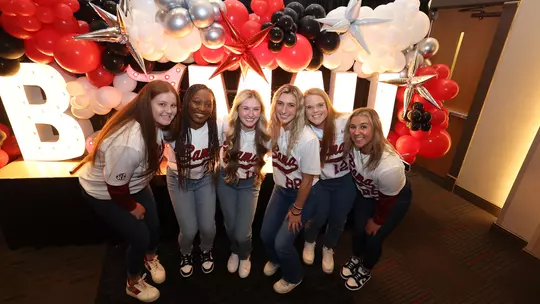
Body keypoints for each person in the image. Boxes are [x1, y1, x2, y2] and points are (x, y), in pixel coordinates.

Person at [79, 80, 178, 303]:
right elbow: (115, 188)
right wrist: (131, 207)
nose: (169, 111)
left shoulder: (156, 123)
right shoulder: (129, 142)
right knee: (140, 236)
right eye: (162, 104)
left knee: (153, 225)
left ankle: (150, 258)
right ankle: (132, 282)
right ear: (146, 104)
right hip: (106, 192)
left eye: (173, 106)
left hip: (135, 184)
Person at [341, 108, 412, 291]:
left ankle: (366, 268)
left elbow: (387, 201)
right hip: (367, 194)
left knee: (373, 236)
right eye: (353, 127)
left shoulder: (389, 165)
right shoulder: (352, 146)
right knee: (358, 230)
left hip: (393, 199)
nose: (357, 132)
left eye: (364, 127)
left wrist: (377, 220)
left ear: (375, 129)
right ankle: (357, 256)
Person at [260, 84, 321, 294]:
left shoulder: (308, 139)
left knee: (282, 243)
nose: (284, 110)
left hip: (304, 195)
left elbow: (307, 180)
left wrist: (297, 210)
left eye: (291, 105)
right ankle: (277, 261)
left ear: (299, 109)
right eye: (280, 103)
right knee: (266, 235)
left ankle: (294, 276)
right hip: (281, 189)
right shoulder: (274, 128)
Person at [165, 84, 222, 278]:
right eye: (197, 102)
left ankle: (206, 250)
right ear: (187, 102)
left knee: (208, 227)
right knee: (188, 230)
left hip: (205, 178)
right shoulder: (171, 125)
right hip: (179, 180)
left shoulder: (218, 125)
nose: (202, 108)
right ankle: (186, 254)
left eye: (208, 104)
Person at [301, 88, 356, 274]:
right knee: (317, 217)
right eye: (309, 107)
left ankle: (328, 248)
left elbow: (369, 127)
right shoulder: (303, 130)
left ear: (327, 105)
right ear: (304, 110)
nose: (315, 110)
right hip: (321, 182)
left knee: (339, 219)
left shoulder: (344, 121)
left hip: (344, 179)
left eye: (319, 105)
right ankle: (309, 242)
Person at [218, 90, 270, 278]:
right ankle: (235, 250)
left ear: (261, 111)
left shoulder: (267, 132)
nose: (250, 114)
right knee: (230, 225)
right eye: (245, 108)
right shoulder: (224, 125)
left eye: (256, 109)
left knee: (242, 232)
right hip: (226, 181)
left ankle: (245, 254)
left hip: (250, 184)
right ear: (237, 110)